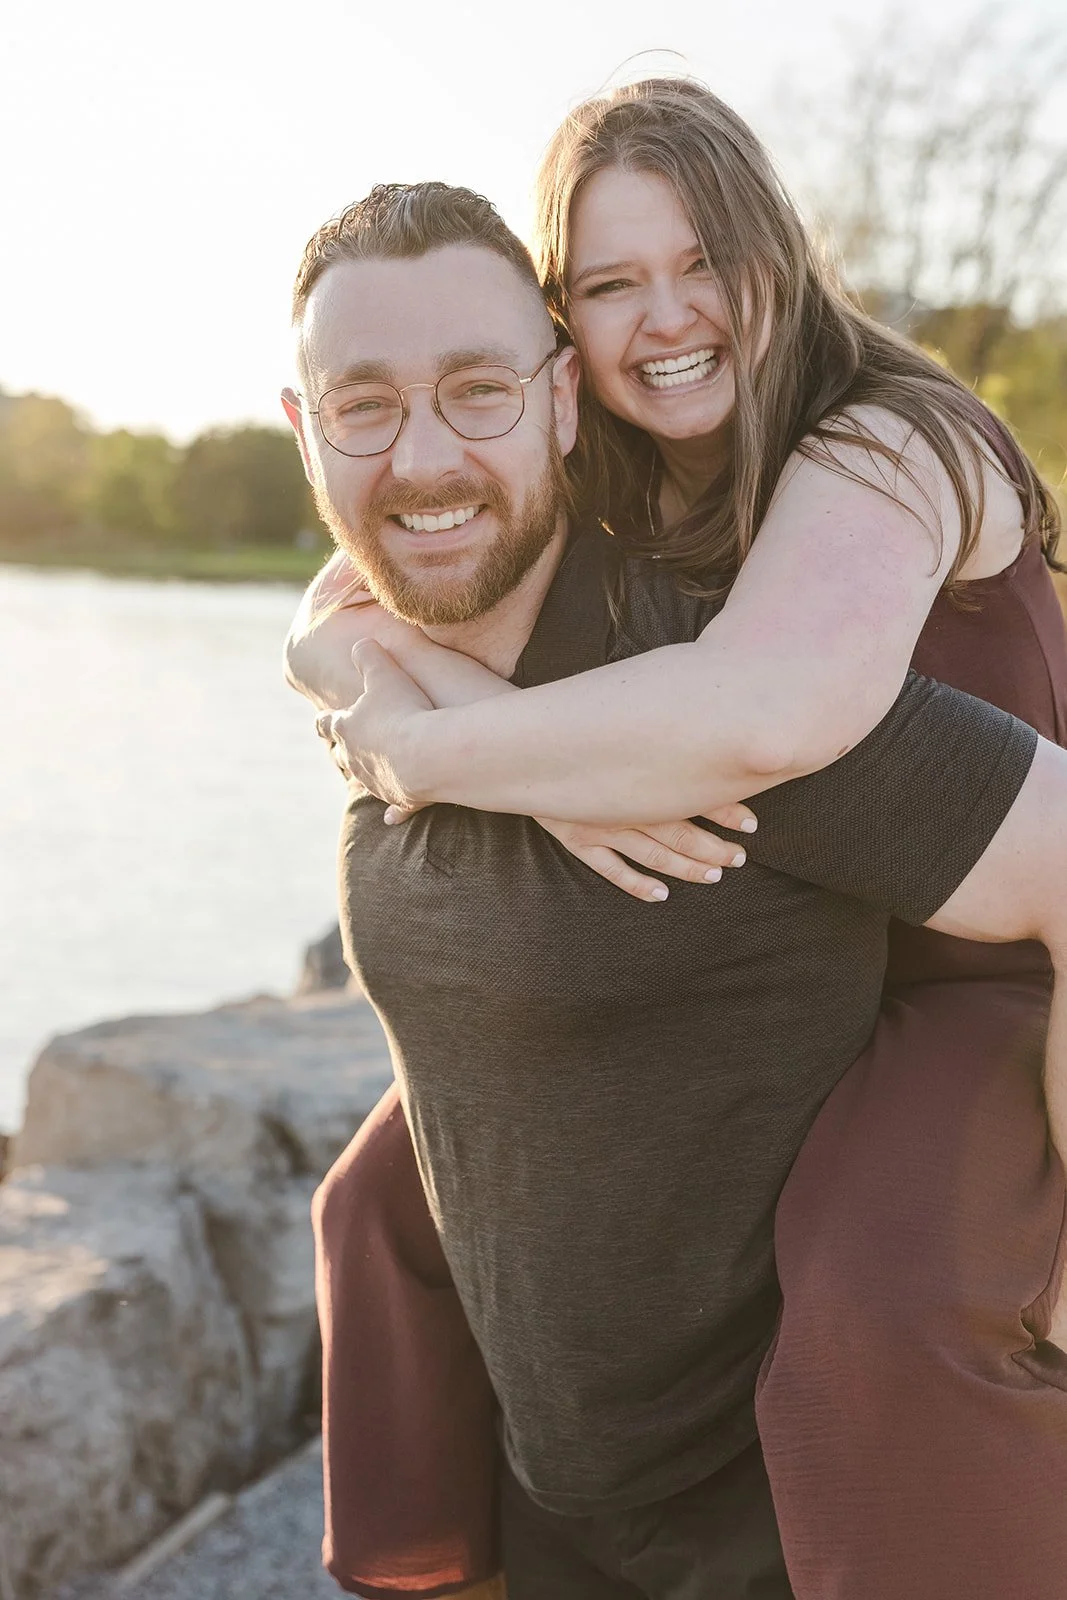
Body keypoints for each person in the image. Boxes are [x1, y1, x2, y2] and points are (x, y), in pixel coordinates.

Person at [281, 156, 1067, 1600]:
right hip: (555, 1501)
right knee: (365, 1204)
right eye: (364, 407)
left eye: (476, 390)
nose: (422, 459)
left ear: (560, 397)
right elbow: (333, 615)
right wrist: (386, 703)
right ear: (304, 433)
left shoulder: (732, 694)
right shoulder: (381, 659)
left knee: (886, 1296)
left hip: (782, 1518)